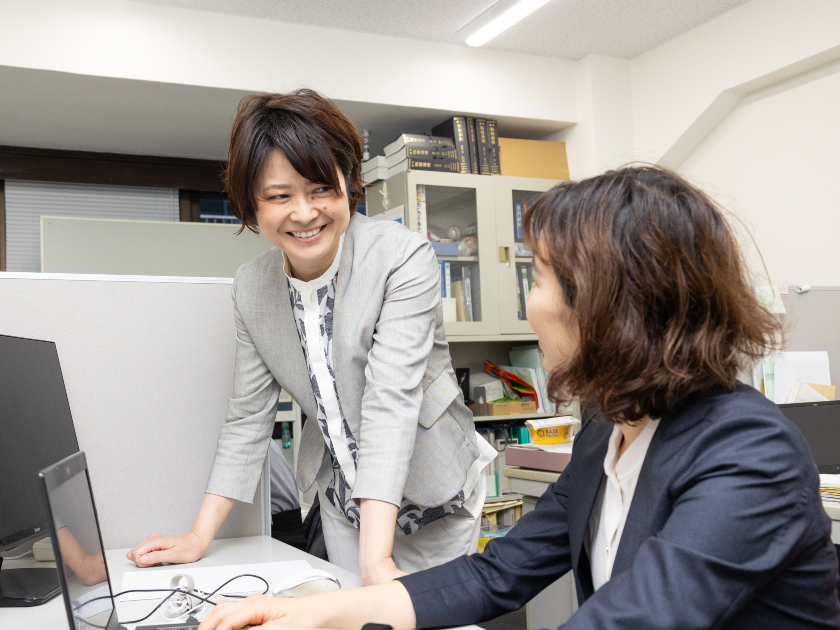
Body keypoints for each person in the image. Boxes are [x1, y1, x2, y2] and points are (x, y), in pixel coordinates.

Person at [197, 165, 840, 630]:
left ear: (615, 307)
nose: (529, 304)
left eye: (540, 278)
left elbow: (633, 619)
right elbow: (492, 574)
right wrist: (314, 612)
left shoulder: (748, 453)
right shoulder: (606, 433)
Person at [127, 89, 495, 583]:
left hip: (434, 493)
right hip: (344, 500)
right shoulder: (252, 288)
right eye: (279, 196)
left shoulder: (402, 258)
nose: (304, 213)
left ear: (349, 184)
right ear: (250, 205)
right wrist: (198, 537)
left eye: (322, 189)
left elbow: (391, 402)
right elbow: (246, 420)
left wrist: (376, 561)